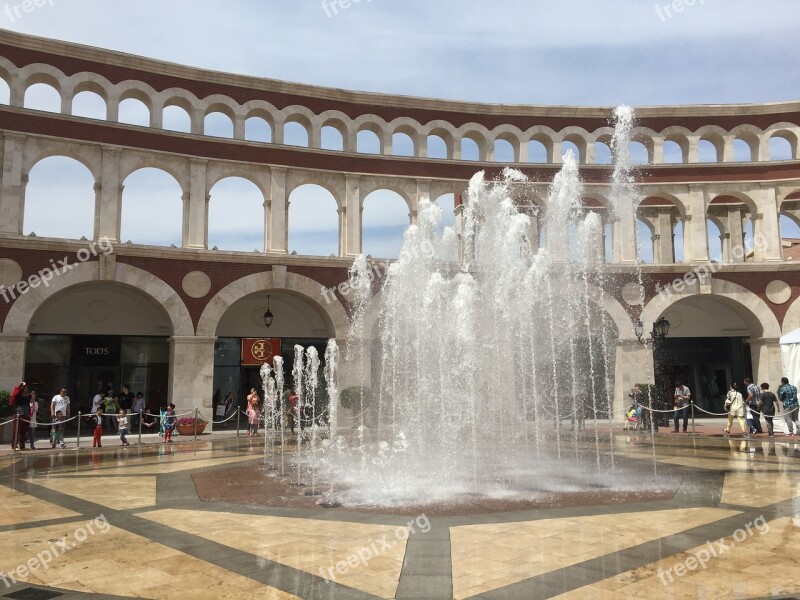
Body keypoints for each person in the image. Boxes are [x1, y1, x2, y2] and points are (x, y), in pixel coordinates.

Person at [10, 382, 30, 451]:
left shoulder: (27, 396)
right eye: (25, 388)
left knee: (23, 432)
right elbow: (14, 396)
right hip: (18, 415)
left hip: (26, 415)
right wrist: (22, 384)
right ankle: (14, 446)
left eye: (26, 388)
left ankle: (22, 446)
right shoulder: (17, 395)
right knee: (16, 431)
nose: (26, 389)